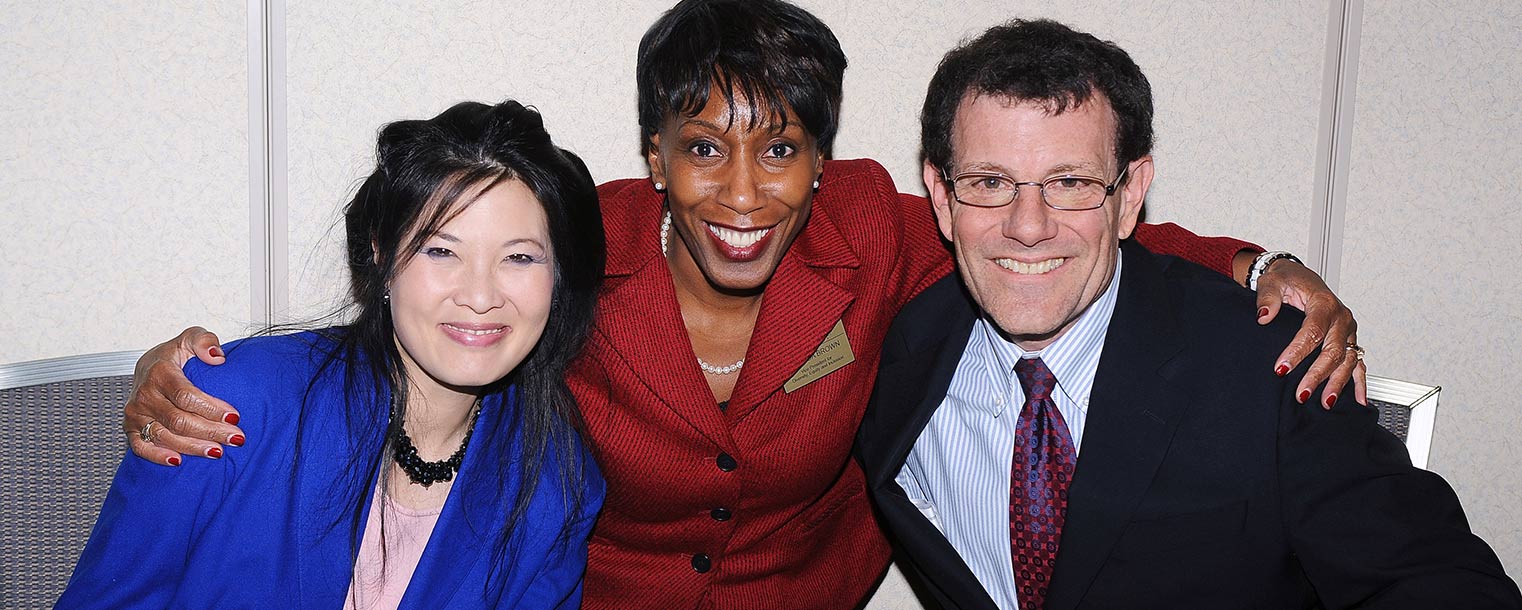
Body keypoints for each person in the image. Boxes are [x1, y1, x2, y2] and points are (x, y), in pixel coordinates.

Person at [115, 1, 1363, 608]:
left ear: (825, 160)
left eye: (779, 149)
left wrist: (1259, 267)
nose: (743, 189)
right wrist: (201, 364)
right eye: (702, 147)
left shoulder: (878, 225)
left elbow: (1040, 224)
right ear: (651, 154)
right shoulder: (567, 238)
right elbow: (433, 277)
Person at [856, 18, 1521, 610]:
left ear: (1129, 195)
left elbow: (1434, 579)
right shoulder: (893, 355)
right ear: (941, 194)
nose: (1029, 226)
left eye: (1071, 183)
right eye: (990, 182)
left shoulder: (1272, 364)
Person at [58, 100, 607, 609]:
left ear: (556, 276)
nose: (481, 296)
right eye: (441, 250)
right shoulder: (230, 404)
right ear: (381, 253)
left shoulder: (557, 482)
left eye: (519, 258)